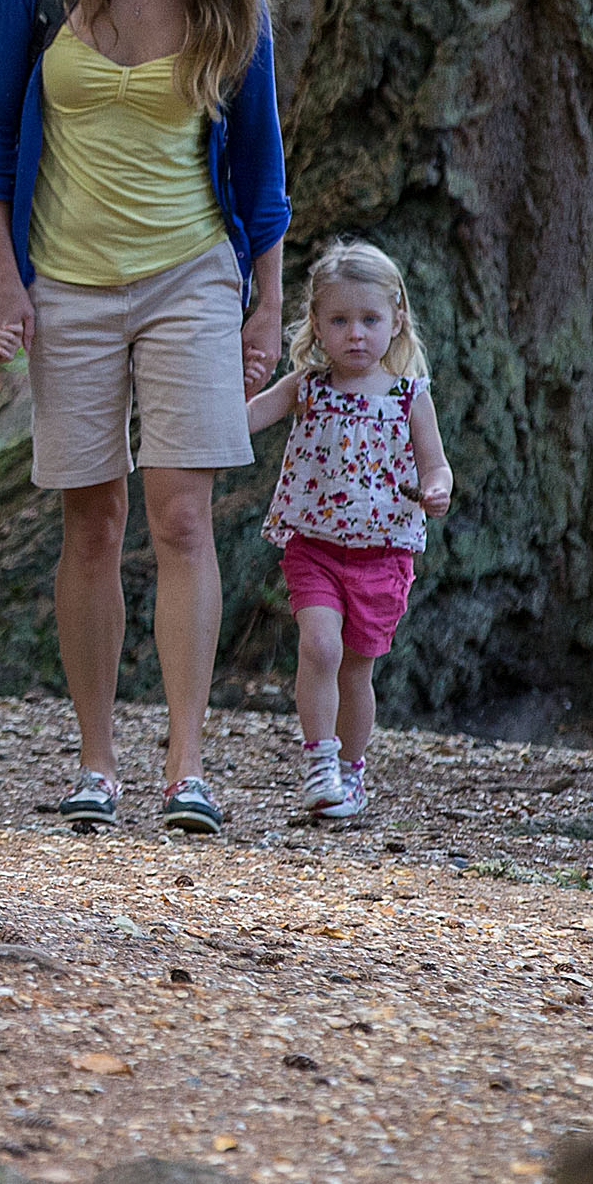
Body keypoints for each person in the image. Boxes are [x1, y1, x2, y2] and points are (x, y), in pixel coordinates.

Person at [0, 0, 289, 839]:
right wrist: (0, 277)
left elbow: (260, 173)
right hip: (64, 280)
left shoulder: (229, 3)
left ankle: (186, 765)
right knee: (90, 521)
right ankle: (96, 761)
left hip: (190, 275)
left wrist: (265, 306)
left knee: (181, 516)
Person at [245, 240, 452, 823]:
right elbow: (246, 418)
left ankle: (353, 771)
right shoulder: (305, 388)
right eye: (339, 320)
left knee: (357, 668)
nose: (355, 334)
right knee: (320, 646)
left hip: (383, 553)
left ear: (396, 321)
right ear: (316, 324)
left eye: (369, 320)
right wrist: (227, 388)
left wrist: (438, 488)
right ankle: (319, 764)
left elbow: (435, 463)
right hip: (313, 545)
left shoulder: (410, 396)